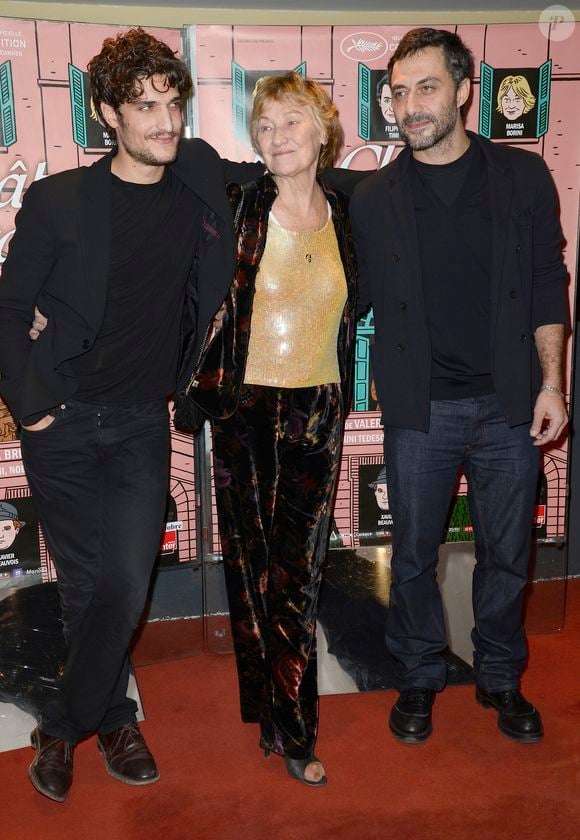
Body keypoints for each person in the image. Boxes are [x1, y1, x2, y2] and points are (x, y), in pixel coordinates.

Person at [0, 28, 259, 803]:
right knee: (89, 585)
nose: (164, 120)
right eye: (143, 105)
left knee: (123, 579)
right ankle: (114, 717)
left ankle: (65, 723)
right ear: (108, 113)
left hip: (145, 420)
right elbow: (9, 310)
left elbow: (289, 174)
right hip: (66, 422)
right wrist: (33, 406)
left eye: (172, 101)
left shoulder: (201, 176)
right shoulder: (59, 201)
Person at [350, 28, 568, 745]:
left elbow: (546, 286)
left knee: (508, 553)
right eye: (399, 92)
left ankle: (501, 679)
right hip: (421, 409)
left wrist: (551, 386)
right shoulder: (375, 197)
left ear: (466, 91)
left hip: (510, 404)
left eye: (426, 88)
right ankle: (418, 677)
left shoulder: (522, 179)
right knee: (412, 554)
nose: (409, 106)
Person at [176, 72, 357, 786]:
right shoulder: (238, 204)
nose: (277, 136)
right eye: (265, 125)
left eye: (291, 121)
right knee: (250, 571)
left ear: (322, 131)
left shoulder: (349, 210)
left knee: (297, 574)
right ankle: (270, 708)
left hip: (318, 408)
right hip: (244, 411)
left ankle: (295, 729)